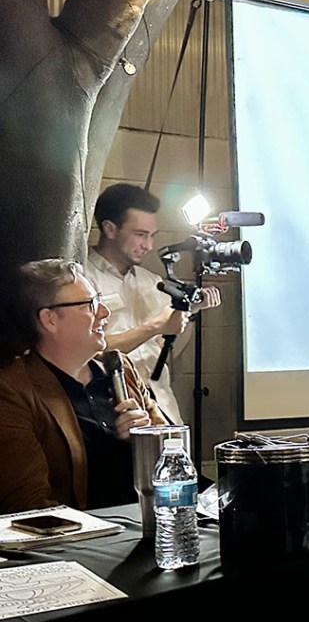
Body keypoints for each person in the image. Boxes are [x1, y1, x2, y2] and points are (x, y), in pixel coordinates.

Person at [0, 259, 164, 512]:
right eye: (90, 304)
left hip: (149, 523)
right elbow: (29, 506)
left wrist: (145, 440)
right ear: (49, 319)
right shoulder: (13, 391)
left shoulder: (120, 367)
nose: (104, 312)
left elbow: (175, 456)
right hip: (82, 534)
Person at [84, 183, 221, 424]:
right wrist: (154, 326)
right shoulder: (83, 279)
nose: (148, 245)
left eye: (151, 236)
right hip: (115, 412)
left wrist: (188, 312)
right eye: (140, 234)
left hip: (162, 407)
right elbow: (88, 351)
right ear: (109, 228)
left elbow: (168, 354)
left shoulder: (152, 282)